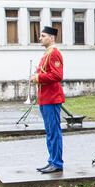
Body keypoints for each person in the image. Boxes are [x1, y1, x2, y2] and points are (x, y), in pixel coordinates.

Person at [33, 26, 64, 174]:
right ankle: (52, 160)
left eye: (43, 36)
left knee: (54, 132)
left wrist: (38, 77)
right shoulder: (47, 54)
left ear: (51, 38)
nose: (40, 38)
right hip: (45, 98)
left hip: (52, 98)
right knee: (50, 132)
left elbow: (57, 76)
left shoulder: (54, 53)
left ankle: (57, 162)